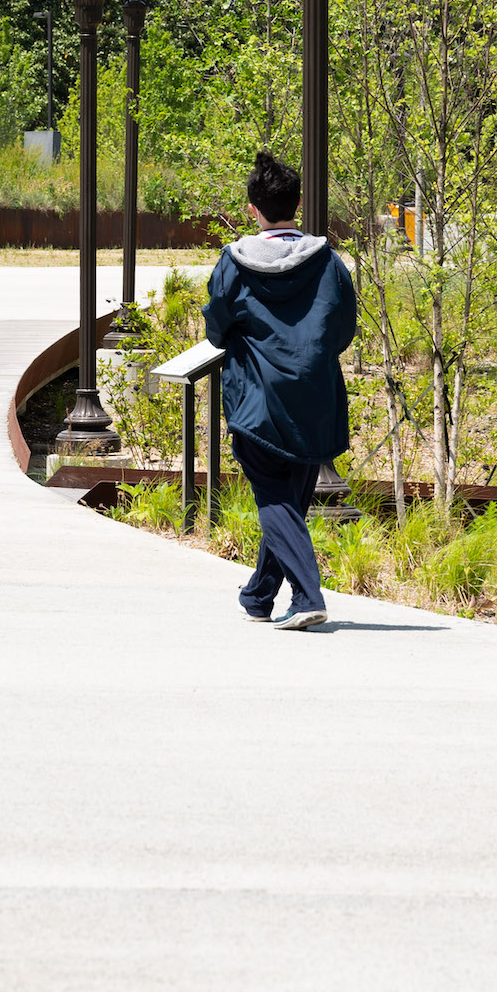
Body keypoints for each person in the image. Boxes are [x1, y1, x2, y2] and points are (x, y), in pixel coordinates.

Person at [201, 149, 357, 632]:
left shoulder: (234, 262)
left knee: (273, 498)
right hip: (314, 400)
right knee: (288, 499)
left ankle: (308, 595)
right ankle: (259, 594)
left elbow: (217, 326)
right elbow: (343, 327)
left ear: (253, 209)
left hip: (257, 400)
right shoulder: (328, 263)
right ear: (299, 203)